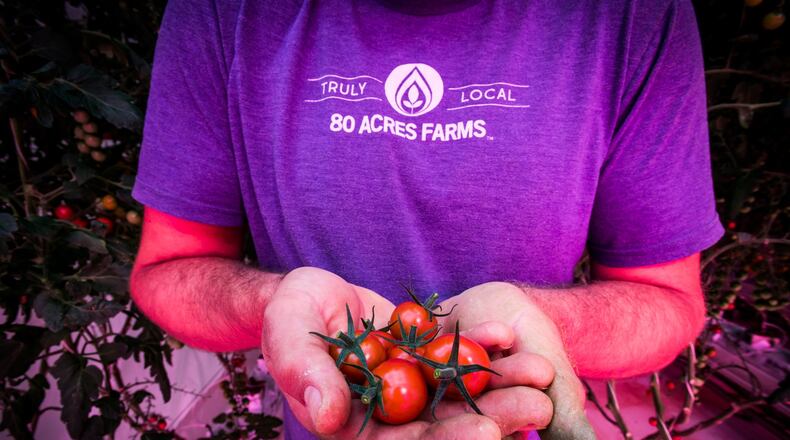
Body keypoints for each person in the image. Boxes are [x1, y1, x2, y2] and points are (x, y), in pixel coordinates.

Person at [129, 0, 724, 438]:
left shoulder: (635, 16)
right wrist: (277, 304)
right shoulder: (220, 11)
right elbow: (167, 270)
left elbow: (666, 302)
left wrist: (534, 322)